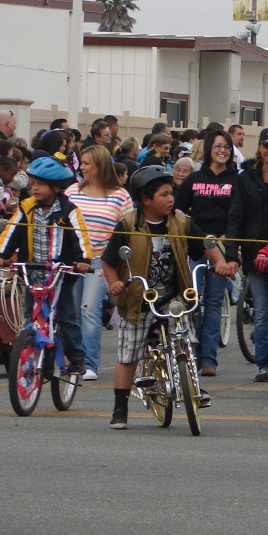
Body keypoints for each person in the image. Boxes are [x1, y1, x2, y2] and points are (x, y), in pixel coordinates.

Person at [101, 165, 230, 429]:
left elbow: (206, 243)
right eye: (164, 194)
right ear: (146, 199)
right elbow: (109, 260)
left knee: (186, 339)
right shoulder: (127, 224)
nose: (171, 199)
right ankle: (120, 408)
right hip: (138, 298)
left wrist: (220, 261)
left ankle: (192, 383)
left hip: (173, 296)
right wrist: (114, 283)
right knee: (129, 354)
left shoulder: (181, 222)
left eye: (171, 193)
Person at [0, 157, 93, 380]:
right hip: (33, 274)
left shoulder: (69, 210)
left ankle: (76, 358)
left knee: (67, 317)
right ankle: (31, 352)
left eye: (40, 184)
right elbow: (11, 232)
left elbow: (80, 236)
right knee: (30, 316)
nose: (34, 188)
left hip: (61, 275)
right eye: (32, 184)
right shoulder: (26, 207)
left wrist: (84, 259)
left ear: (56, 188)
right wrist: (1, 254)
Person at [225, 127, 268, 382]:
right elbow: (236, 217)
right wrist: (231, 255)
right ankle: (264, 364)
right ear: (260, 148)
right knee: (261, 311)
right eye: (266, 146)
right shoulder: (246, 178)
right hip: (253, 254)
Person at [64, 145, 135, 381]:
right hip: (73, 259)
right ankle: (72, 359)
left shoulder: (120, 195)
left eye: (86, 164)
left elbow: (129, 229)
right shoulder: (72, 191)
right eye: (81, 163)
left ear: (100, 166)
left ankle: (89, 363)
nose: (82, 168)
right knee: (70, 311)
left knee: (88, 309)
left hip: (100, 260)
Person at [175, 130, 240, 376]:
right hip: (194, 247)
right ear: (209, 148)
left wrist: (231, 249)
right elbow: (178, 211)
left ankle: (208, 358)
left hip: (221, 248)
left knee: (213, 302)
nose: (222, 150)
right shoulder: (194, 179)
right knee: (191, 300)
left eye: (227, 147)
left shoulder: (237, 180)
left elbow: (238, 216)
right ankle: (192, 349)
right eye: (218, 146)